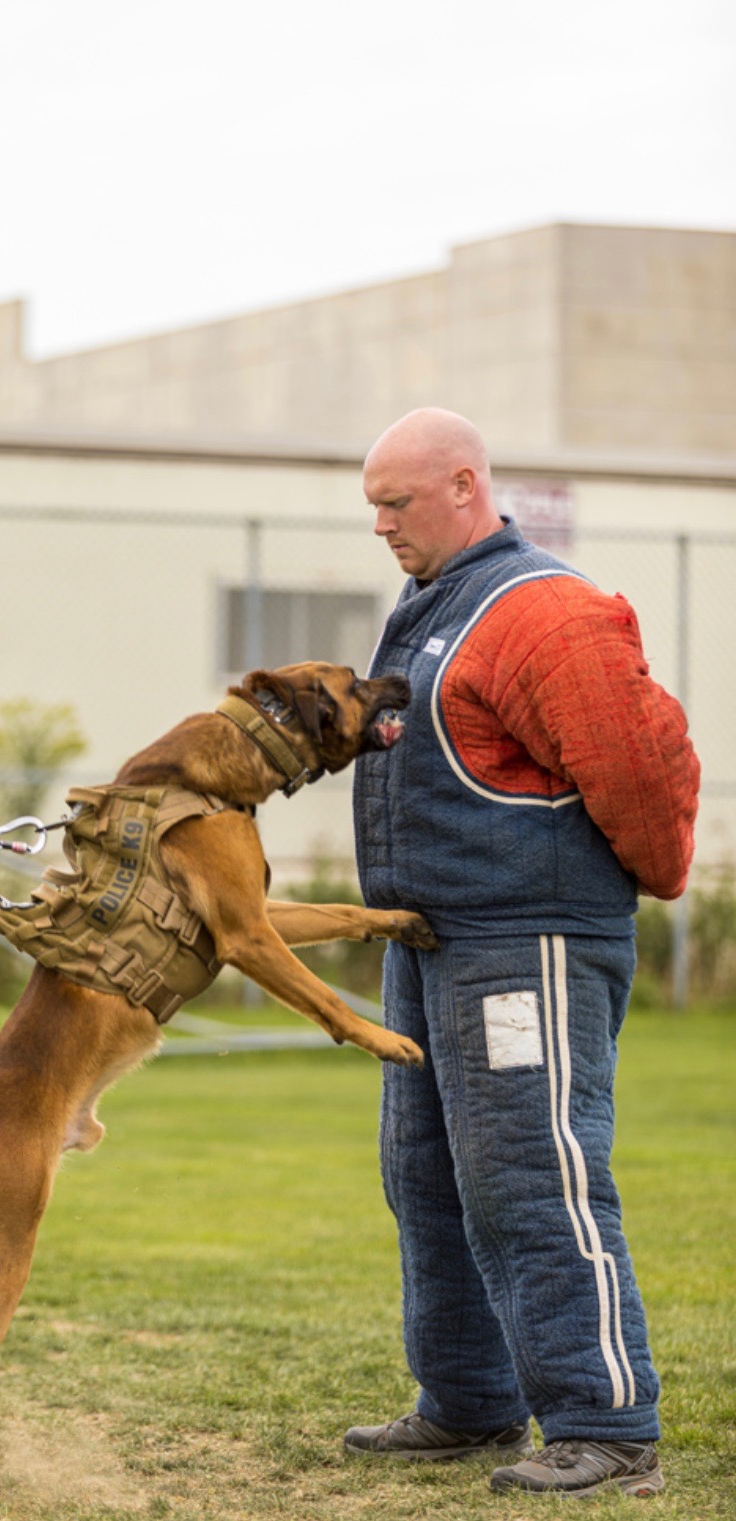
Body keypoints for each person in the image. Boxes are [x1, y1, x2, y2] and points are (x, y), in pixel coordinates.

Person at [347, 408, 699, 1497]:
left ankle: (604, 1425)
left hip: (525, 944)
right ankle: (468, 1402)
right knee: (428, 1175)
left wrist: (612, 889)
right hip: (433, 940)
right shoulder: (435, 606)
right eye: (370, 506)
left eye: (395, 502)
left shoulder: (545, 609)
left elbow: (639, 775)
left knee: (531, 1175)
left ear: (463, 485)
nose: (380, 526)